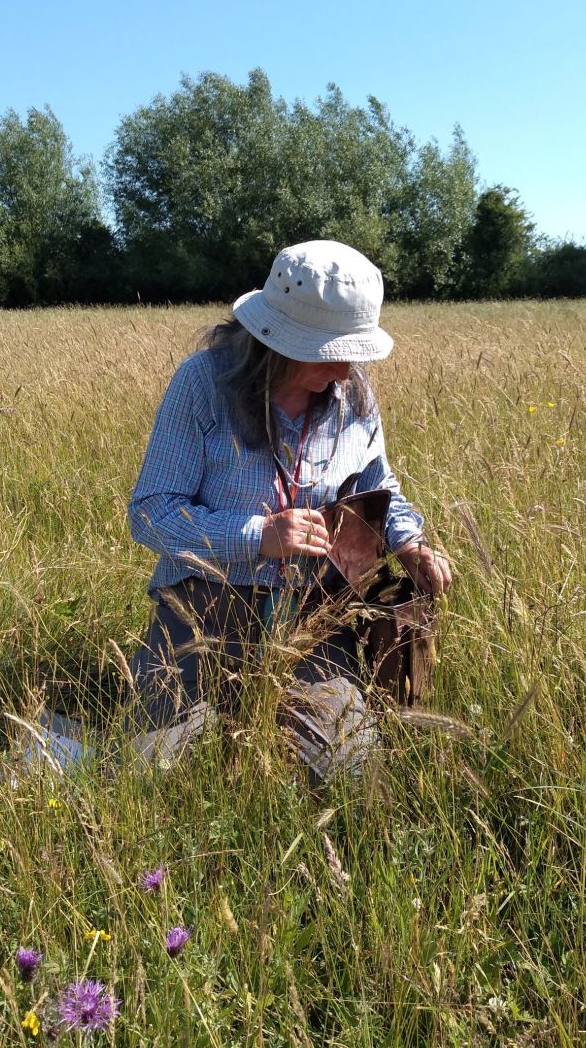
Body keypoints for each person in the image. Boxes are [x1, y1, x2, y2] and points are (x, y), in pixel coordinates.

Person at [125, 240, 451, 781]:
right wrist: (257, 535)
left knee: (341, 769)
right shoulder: (202, 386)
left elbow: (379, 484)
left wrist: (407, 541)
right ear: (276, 342)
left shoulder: (354, 396)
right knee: (152, 768)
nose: (347, 370)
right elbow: (151, 513)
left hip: (313, 614)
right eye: (332, 351)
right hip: (203, 610)